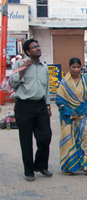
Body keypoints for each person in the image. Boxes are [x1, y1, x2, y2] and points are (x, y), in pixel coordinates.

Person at [10, 39, 53, 182]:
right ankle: (29, 171)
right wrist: (24, 67)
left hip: (40, 106)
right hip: (24, 106)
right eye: (34, 47)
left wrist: (48, 105)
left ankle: (40, 165)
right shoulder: (19, 64)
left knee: (45, 137)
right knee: (26, 140)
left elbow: (46, 88)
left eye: (38, 46)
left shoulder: (44, 67)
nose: (38, 49)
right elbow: (12, 83)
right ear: (28, 52)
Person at [55, 57, 87, 175]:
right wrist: (70, 111)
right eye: (73, 67)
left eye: (78, 67)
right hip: (69, 116)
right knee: (70, 140)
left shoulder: (84, 79)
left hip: (83, 112)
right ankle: (70, 167)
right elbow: (59, 100)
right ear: (69, 68)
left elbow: (85, 96)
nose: (76, 69)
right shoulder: (64, 82)